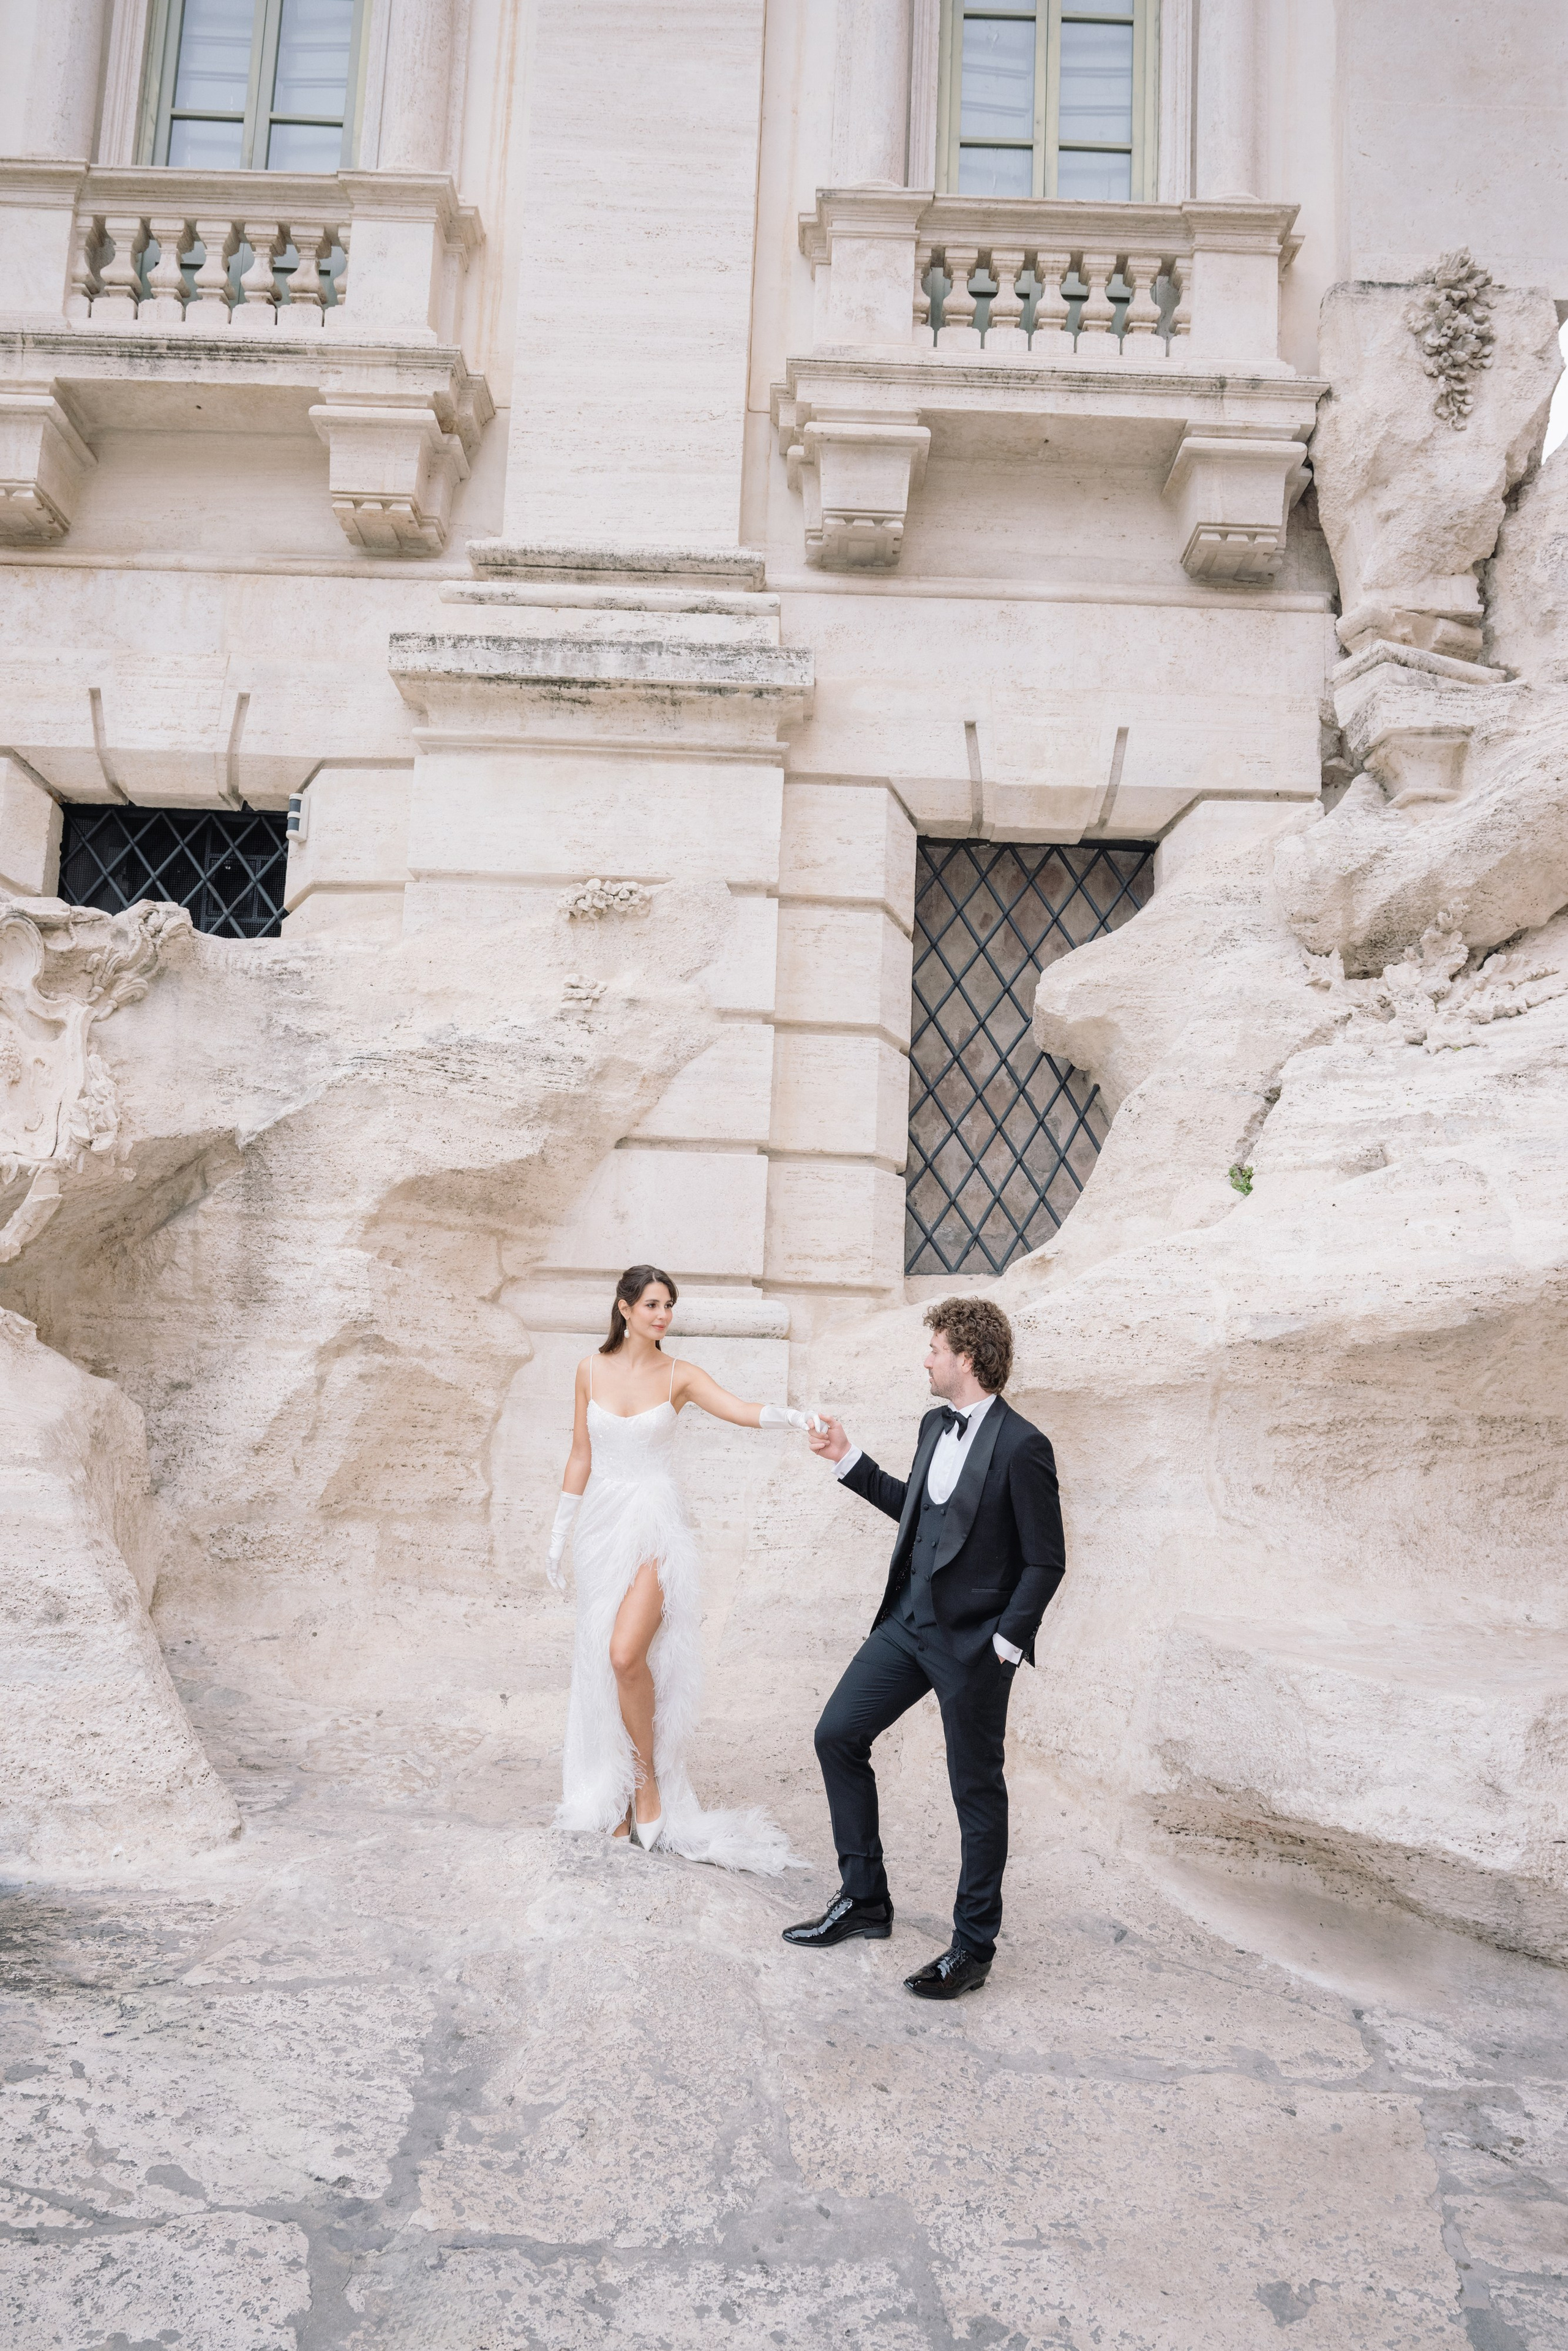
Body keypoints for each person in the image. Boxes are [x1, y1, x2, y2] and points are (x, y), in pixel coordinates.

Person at [783, 1296, 1065, 1998]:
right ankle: (865, 1899)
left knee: (974, 1791)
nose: (926, 1358)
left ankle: (972, 1946)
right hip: (907, 1624)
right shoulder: (931, 1424)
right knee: (837, 1733)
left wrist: (1004, 1644)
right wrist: (846, 1457)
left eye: (934, 1347)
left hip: (974, 1645)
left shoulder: (1024, 1445)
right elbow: (922, 1509)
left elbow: (1045, 1561)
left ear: (966, 1356)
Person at [546, 1262, 817, 1871]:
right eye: (650, 1304)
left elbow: (741, 1409)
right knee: (601, 1663)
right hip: (599, 1528)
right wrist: (558, 1534)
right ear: (623, 1308)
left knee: (625, 1653)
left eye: (668, 1304)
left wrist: (796, 1418)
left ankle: (647, 1782)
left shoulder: (680, 1375)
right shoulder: (588, 1369)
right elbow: (580, 1453)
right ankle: (612, 1786)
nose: (662, 1314)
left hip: (653, 1525)